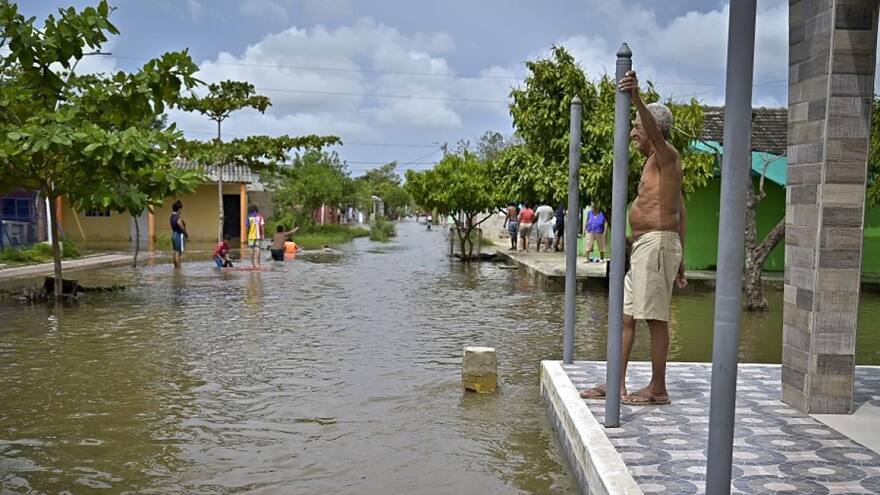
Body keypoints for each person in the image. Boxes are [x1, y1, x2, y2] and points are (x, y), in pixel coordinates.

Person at [580, 70, 687, 406]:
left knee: (655, 319)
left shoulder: (667, 155)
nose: (632, 134)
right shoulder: (652, 164)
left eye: (637, 128)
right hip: (649, 246)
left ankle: (658, 389)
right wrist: (681, 259)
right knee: (625, 317)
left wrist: (637, 98)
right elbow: (681, 212)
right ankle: (618, 383)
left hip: (656, 244)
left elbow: (654, 133)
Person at [169, 200, 188, 269]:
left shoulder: (171, 216)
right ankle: (179, 268)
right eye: (181, 209)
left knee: (175, 251)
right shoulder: (177, 217)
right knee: (178, 253)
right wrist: (186, 234)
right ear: (179, 209)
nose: (181, 211)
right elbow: (181, 226)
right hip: (179, 235)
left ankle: (175, 267)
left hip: (174, 234)